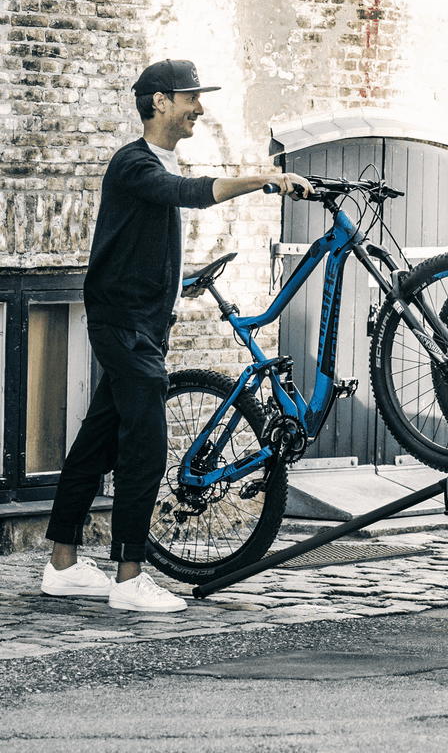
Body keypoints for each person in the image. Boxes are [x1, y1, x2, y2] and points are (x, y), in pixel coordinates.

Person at [40, 59, 311, 613]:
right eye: (190, 97)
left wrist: (172, 287)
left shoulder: (156, 161)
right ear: (159, 101)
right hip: (124, 327)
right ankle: (128, 577)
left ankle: (61, 564)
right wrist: (263, 177)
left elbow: (142, 239)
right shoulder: (133, 163)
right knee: (145, 446)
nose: (199, 107)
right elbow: (188, 193)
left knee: (95, 443)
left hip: (142, 325)